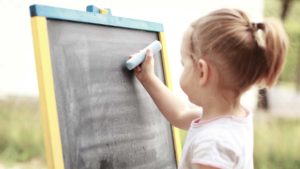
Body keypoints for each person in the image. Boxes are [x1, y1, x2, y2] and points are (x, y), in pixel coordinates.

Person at [131, 8, 288, 169]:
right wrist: (148, 78)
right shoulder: (227, 119)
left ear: (202, 71)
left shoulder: (213, 144)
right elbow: (179, 114)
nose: (183, 68)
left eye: (183, 64)